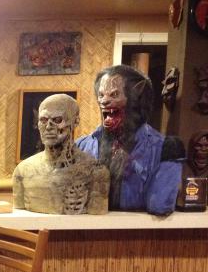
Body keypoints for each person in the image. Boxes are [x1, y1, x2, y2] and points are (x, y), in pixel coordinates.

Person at [76, 65, 184, 216]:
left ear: (136, 99)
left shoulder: (166, 149)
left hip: (139, 230)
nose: (104, 101)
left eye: (114, 94)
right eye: (101, 95)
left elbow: (159, 205)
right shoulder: (81, 145)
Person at [13, 94, 109, 215]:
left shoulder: (95, 172)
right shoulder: (22, 172)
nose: (48, 127)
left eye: (57, 120)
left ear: (75, 122)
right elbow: (20, 218)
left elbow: (97, 220)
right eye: (43, 120)